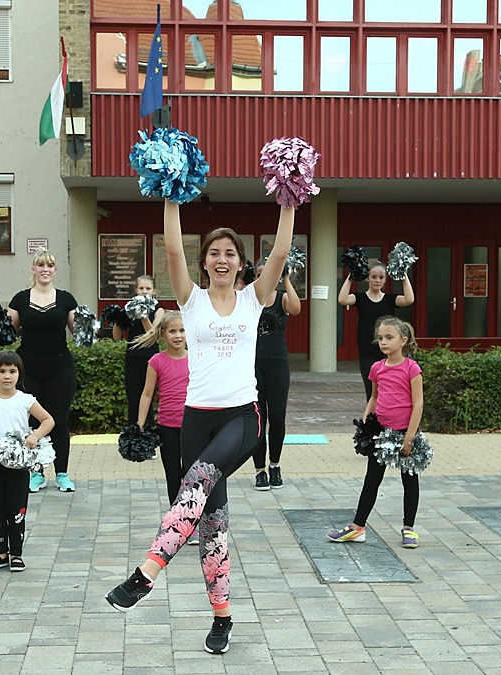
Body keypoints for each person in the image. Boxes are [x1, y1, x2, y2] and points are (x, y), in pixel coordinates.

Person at [106, 199, 295, 656]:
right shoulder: (189, 301)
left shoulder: (255, 299)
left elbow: (281, 252)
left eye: (231, 253)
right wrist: (171, 198)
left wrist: (288, 202)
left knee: (194, 484)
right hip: (196, 420)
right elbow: (172, 250)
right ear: (205, 261)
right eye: (215, 253)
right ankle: (222, 617)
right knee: (212, 525)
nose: (223, 259)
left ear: (241, 262)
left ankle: (146, 573)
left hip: (241, 418)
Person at [327, 317, 424, 549]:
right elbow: (374, 397)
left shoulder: (412, 368)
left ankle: (409, 528)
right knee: (372, 480)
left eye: (389, 338)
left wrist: (409, 438)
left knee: (409, 481)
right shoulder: (376, 368)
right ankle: (358, 527)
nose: (383, 342)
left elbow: (418, 405)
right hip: (381, 434)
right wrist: (364, 424)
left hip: (404, 433)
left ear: (403, 340)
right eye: (380, 338)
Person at [0, 351, 55, 573]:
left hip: (18, 464)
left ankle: (16, 554)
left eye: (12, 371)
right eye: (2, 371)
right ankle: (0, 553)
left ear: (19, 374)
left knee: (17, 507)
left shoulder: (25, 400)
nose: (7, 376)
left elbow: (48, 420)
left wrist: (34, 436)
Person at [7, 249, 78, 493]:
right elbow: (7, 332)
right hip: (28, 369)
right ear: (33, 269)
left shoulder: (66, 299)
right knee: (32, 421)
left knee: (58, 421)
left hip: (60, 367)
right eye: (40, 265)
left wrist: (90, 325)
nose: (45, 269)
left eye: (49, 265)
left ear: (55, 270)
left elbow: (78, 332)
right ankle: (36, 473)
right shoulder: (20, 298)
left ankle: (62, 474)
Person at [134, 311, 196, 546]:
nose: (178, 335)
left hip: (194, 427)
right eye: (172, 331)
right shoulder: (156, 361)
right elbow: (147, 394)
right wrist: (139, 426)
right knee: (173, 476)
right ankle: (177, 524)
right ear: (163, 334)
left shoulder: (196, 358)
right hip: (167, 427)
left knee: (191, 477)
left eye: (182, 330)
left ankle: (192, 523)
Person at [251, 260, 301, 491]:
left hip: (278, 363)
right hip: (252, 364)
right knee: (258, 418)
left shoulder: (282, 297)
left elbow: (296, 308)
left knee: (278, 416)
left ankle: (275, 465)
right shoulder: (248, 297)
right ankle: (259, 470)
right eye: (260, 274)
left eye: (269, 273)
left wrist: (287, 278)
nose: (265, 276)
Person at [337, 260, 415, 399]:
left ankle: (387, 418)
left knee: (388, 390)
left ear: (385, 279)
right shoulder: (360, 298)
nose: (377, 280)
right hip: (367, 351)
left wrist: (404, 275)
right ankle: (372, 419)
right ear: (367, 278)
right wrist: (351, 276)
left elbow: (409, 299)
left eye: (381, 277)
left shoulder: (390, 299)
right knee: (371, 392)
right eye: (374, 277)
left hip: (389, 352)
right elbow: (343, 299)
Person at [115, 275, 166, 426]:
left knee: (148, 399)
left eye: (148, 289)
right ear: (136, 290)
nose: (144, 292)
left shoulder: (159, 310)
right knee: (133, 398)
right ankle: (133, 435)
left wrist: (143, 315)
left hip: (151, 359)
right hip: (132, 358)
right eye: (141, 288)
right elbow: (117, 337)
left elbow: (152, 334)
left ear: (154, 291)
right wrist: (118, 320)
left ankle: (147, 435)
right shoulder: (130, 309)